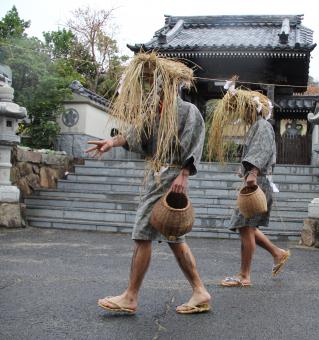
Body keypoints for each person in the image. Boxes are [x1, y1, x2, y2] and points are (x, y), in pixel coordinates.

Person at [86, 55, 210, 314]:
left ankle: (131, 296)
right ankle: (200, 291)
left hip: (170, 176)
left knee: (142, 233)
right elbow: (135, 133)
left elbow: (194, 143)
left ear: (171, 84)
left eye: (158, 83)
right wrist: (111, 142)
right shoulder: (156, 113)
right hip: (157, 175)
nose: (154, 88)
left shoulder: (188, 111)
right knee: (175, 238)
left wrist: (183, 175)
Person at [220, 113, 290, 287]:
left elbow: (262, 150)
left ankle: (244, 275)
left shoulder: (262, 125)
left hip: (257, 182)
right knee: (247, 226)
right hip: (258, 180)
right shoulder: (258, 125)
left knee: (245, 226)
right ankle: (277, 253)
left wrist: (252, 173)